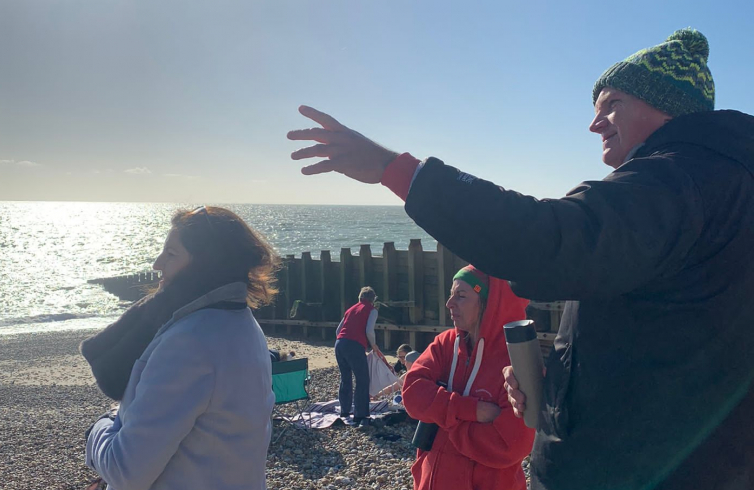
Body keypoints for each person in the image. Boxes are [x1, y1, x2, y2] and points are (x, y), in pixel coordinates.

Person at [288, 29, 754, 489]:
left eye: (613, 104)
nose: (596, 124)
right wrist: (560, 384)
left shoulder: (676, 182)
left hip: (638, 467)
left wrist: (396, 170)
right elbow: (678, 340)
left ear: (668, 104)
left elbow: (545, 239)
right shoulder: (723, 189)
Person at [80, 206, 279, 490]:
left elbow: (125, 471)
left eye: (171, 254)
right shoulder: (243, 325)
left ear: (205, 264)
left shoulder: (191, 342)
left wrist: (98, 429)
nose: (157, 264)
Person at [401, 265, 534, 490]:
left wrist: (444, 421)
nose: (449, 304)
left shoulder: (516, 361)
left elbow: (508, 446)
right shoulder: (445, 344)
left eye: (461, 296)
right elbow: (412, 394)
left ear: (489, 304)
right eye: (451, 294)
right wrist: (471, 411)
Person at [335, 286, 380, 426]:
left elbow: (338, 330)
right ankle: (360, 415)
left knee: (345, 377)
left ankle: (345, 410)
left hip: (339, 343)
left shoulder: (350, 309)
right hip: (354, 345)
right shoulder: (372, 310)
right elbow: (369, 331)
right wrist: (374, 346)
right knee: (362, 379)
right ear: (373, 299)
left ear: (359, 297)